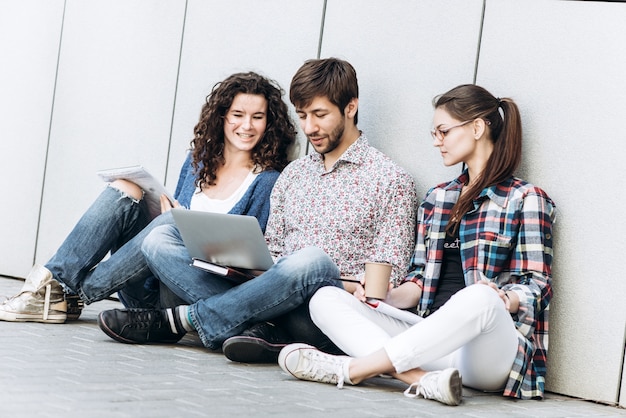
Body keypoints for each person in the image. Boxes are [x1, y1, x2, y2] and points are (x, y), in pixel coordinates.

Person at [96, 58, 418, 363]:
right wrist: (247, 268)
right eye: (302, 115)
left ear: (351, 107)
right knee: (159, 240)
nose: (309, 127)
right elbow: (272, 252)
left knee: (311, 260)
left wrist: (331, 281)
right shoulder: (294, 175)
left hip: (321, 310)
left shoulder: (390, 180)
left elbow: (387, 280)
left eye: (320, 115)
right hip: (263, 297)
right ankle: (244, 327)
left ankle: (182, 321)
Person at [277, 84, 556, 407]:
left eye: (443, 131)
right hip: (431, 342)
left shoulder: (526, 199)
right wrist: (384, 296)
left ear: (478, 128)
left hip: (489, 352)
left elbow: (538, 287)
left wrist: (504, 298)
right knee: (326, 298)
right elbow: (421, 281)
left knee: (479, 295)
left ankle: (349, 369)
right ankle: (422, 380)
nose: (436, 141)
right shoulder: (438, 199)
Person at [0, 72, 296, 324]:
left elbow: (250, 263)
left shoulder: (266, 181)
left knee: (173, 222)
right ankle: (58, 285)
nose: (246, 126)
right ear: (222, 117)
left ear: (269, 123)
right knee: (126, 188)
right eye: (238, 115)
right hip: (147, 284)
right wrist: (170, 221)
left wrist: (180, 227)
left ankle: (64, 294)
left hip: (187, 292)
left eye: (257, 117)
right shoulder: (198, 162)